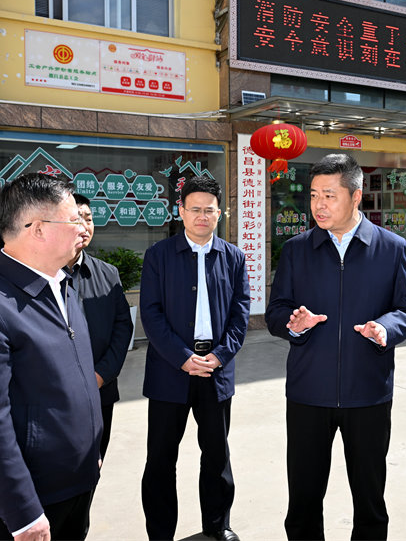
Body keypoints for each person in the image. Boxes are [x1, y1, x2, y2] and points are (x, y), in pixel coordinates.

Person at [265, 153, 406, 540]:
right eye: (315, 195)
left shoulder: (390, 248)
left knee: (370, 500)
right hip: (308, 393)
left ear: (356, 197)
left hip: (367, 392)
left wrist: (385, 328)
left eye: (330, 195)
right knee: (303, 499)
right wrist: (293, 323)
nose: (319, 204)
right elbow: (276, 312)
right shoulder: (296, 250)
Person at [0, 173, 102, 540]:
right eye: (74, 218)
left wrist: (89, 455)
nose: (84, 227)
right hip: (23, 506)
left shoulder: (63, 285)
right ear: (38, 229)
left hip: (75, 485)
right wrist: (22, 513)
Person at [139, 175, 250, 541]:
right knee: (160, 460)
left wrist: (219, 356)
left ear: (221, 213)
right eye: (195, 209)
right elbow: (150, 313)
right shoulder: (159, 256)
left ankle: (217, 526)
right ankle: (160, 533)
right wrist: (183, 357)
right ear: (181, 211)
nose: (203, 216)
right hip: (171, 369)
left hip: (215, 370)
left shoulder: (233, 257)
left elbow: (240, 314)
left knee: (217, 456)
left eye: (210, 210)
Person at [64, 193, 133, 460]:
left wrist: (100, 376)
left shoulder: (107, 274)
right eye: (76, 219)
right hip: (54, 400)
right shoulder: (41, 274)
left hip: (100, 393)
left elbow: (122, 328)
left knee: (94, 464)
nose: (85, 226)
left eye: (89, 219)